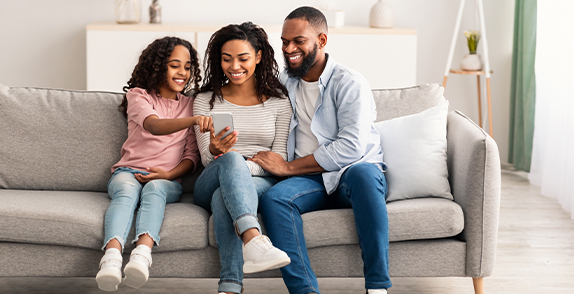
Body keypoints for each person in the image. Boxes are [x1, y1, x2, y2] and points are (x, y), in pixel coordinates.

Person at [250, 6, 391, 294]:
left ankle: (377, 287)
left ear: (322, 41)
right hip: (311, 179)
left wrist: (288, 167)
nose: (289, 48)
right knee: (276, 198)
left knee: (364, 175)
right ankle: (305, 291)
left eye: (298, 41)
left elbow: (351, 147)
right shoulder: (284, 84)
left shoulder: (349, 83)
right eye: (284, 41)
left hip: (352, 173)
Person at [95, 36, 211, 292]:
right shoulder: (139, 96)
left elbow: (192, 158)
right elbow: (154, 125)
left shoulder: (191, 105)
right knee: (126, 191)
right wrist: (192, 121)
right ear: (158, 66)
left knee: (155, 189)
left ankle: (141, 256)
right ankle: (111, 260)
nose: (183, 72)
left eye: (188, 66)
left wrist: (168, 174)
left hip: (166, 178)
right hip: (128, 171)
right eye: (174, 65)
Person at [192, 22, 293, 294]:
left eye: (243, 58)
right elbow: (205, 159)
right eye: (226, 59)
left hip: (260, 181)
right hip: (211, 178)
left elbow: (278, 158)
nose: (234, 66)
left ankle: (230, 287)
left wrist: (242, 168)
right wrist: (216, 151)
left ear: (258, 57)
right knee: (231, 161)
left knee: (223, 199)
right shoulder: (206, 100)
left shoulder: (279, 103)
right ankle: (253, 237)